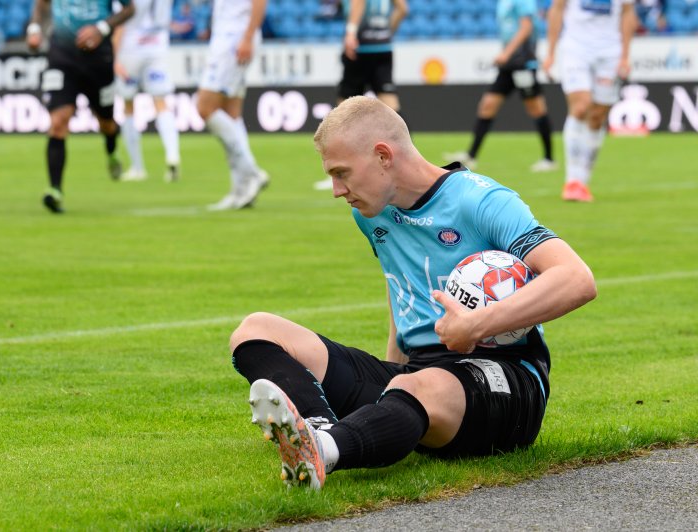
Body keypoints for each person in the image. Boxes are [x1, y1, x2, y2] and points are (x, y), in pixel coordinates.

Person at [229, 96, 597, 489]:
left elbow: (577, 278)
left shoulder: (481, 200)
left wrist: (475, 325)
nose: (337, 190)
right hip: (420, 373)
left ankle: (326, 450)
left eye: (342, 173)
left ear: (384, 156)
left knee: (413, 386)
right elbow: (400, 288)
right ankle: (316, 428)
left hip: (506, 379)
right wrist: (387, 387)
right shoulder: (371, 212)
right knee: (255, 330)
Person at [27, 0, 135, 214]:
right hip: (62, 55)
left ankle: (111, 147)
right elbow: (41, 3)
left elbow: (130, 9)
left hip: (98, 58)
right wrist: (35, 29)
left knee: (106, 122)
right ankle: (55, 189)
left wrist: (101, 28)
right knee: (58, 121)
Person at [443, 0, 556, 173]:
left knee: (536, 108)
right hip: (508, 66)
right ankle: (471, 156)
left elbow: (527, 28)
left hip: (523, 63)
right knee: (487, 106)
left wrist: (506, 53)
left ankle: (549, 159)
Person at [543, 0, 637, 202]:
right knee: (580, 107)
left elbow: (628, 13)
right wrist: (550, 52)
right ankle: (572, 181)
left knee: (597, 116)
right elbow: (557, 9)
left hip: (610, 52)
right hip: (576, 49)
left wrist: (625, 56)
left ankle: (582, 181)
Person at [313, 0, 408, 191]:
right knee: (391, 105)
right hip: (383, 48)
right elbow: (403, 9)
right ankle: (407, 165)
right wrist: (386, 33)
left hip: (360, 48)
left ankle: (338, 172)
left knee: (343, 113)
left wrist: (350, 32)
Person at [195, 0, 269, 211]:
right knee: (231, 114)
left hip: (235, 38)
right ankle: (240, 189)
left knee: (205, 107)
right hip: (226, 35)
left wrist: (247, 37)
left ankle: (252, 172)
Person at [113, 0, 181, 183]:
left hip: (130, 48)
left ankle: (137, 167)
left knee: (127, 106)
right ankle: (173, 155)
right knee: (161, 103)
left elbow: (121, 21)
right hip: (157, 46)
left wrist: (115, 57)